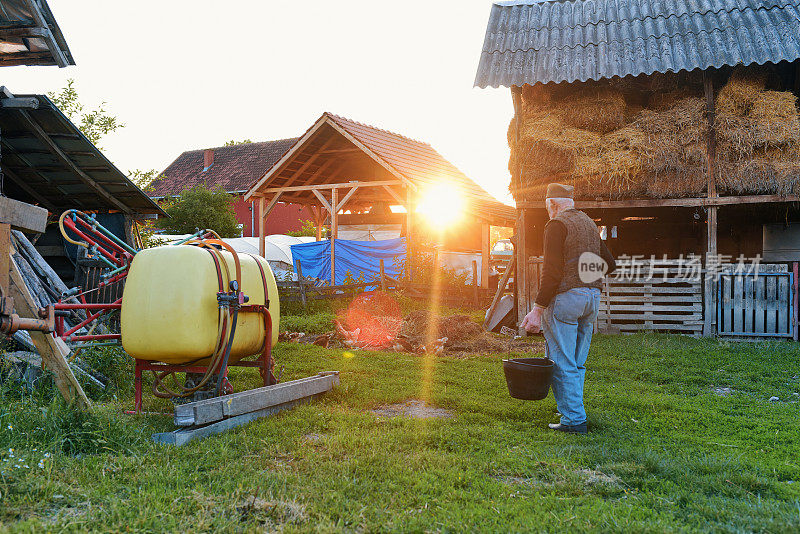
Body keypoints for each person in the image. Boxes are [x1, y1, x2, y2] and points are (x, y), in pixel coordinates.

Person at [521, 183, 616, 434]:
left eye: (546, 207)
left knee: (561, 359)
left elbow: (551, 272)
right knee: (577, 361)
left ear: (552, 204)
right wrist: (586, 279)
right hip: (592, 298)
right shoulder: (588, 224)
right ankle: (571, 408)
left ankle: (573, 420)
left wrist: (537, 310)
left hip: (566, 299)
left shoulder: (556, 225)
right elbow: (610, 263)